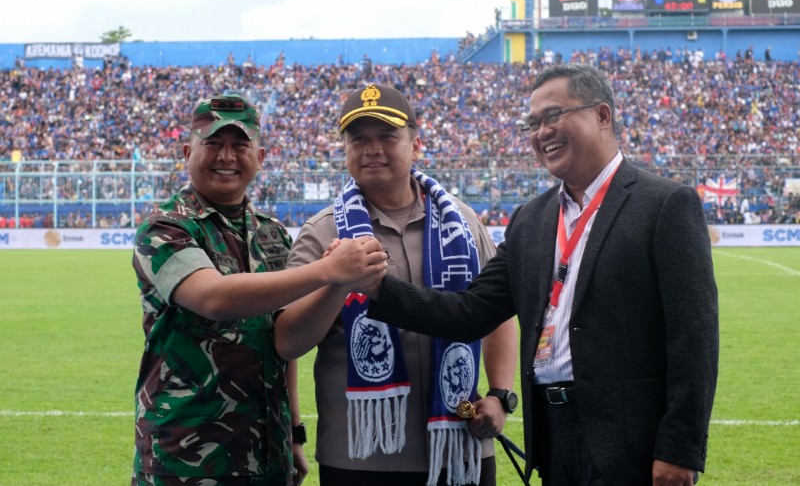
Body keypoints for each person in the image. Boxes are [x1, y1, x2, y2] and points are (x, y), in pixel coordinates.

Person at [366, 64, 719, 485]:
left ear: (602, 116)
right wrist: (378, 288)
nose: (541, 132)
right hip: (552, 440)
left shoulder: (665, 205)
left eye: (553, 116)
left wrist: (680, 449)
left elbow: (694, 337)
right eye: (532, 124)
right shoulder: (531, 220)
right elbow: (470, 311)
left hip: (632, 445)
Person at [131, 94, 388, 486]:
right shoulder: (166, 227)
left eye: (240, 145)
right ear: (187, 152)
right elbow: (213, 298)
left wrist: (294, 432)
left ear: (261, 157)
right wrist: (328, 270)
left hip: (266, 453)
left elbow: (282, 339)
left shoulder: (271, 232)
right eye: (213, 143)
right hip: (186, 457)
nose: (227, 156)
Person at [275, 84, 518, 486]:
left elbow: (496, 314)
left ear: (416, 144)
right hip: (361, 455)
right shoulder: (321, 233)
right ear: (346, 149)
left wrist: (500, 394)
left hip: (462, 446)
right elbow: (287, 343)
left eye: (387, 136)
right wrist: (336, 281)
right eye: (359, 139)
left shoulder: (462, 223)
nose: (372, 148)